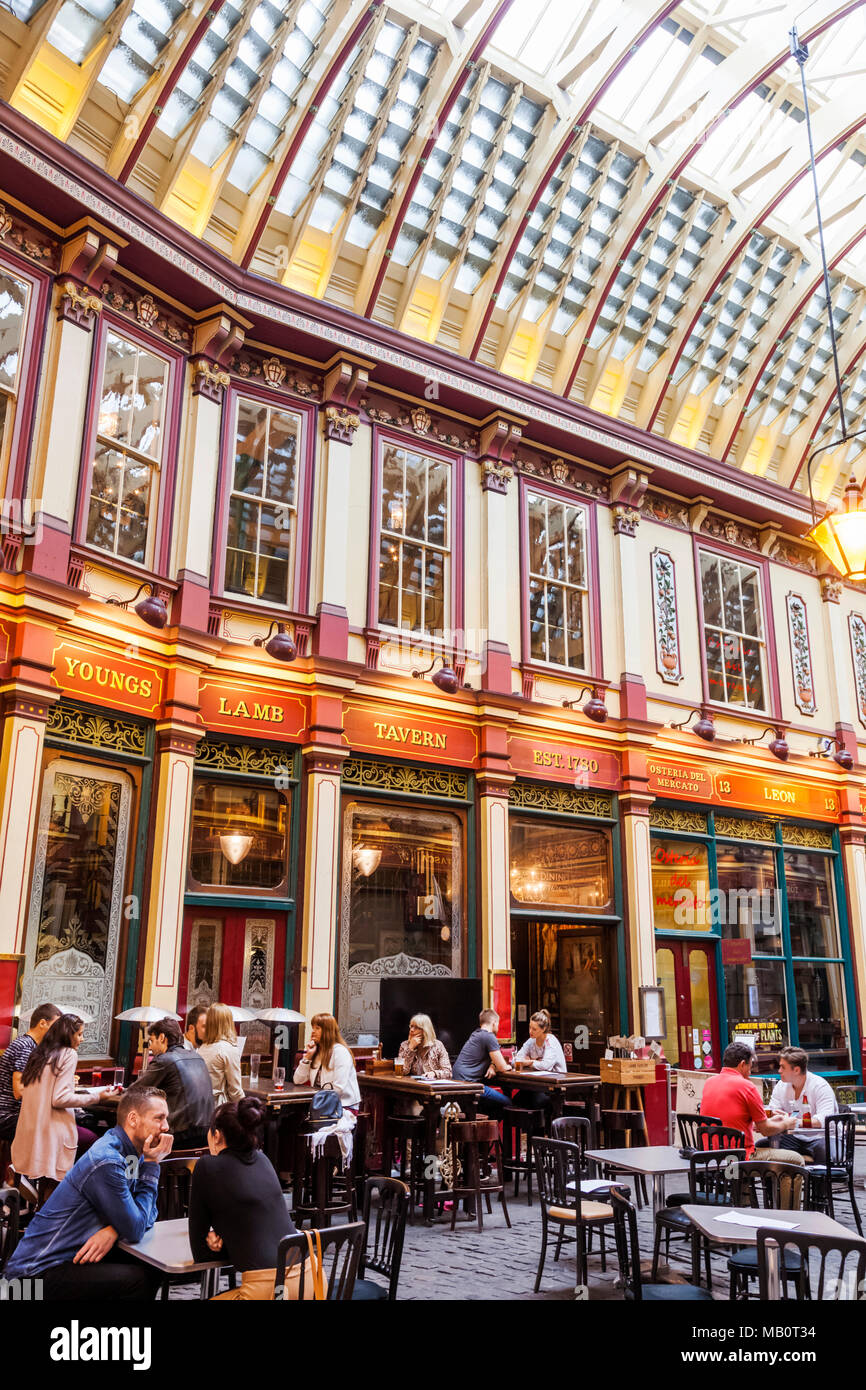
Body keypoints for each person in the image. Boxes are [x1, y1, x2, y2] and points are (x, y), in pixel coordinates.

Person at [4, 1086, 174, 1300]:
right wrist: (152, 1165)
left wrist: (114, 1230)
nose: (166, 1126)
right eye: (159, 1118)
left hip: (71, 1258)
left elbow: (147, 1214)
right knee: (136, 1280)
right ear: (133, 1119)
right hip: (28, 1281)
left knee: (152, 1267)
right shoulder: (108, 1160)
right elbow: (136, 1227)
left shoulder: (130, 1153)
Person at [188, 1095, 314, 1300]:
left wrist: (221, 1245)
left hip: (270, 1291)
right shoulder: (263, 1160)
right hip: (310, 1281)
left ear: (217, 1136)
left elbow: (200, 1254)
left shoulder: (207, 1167)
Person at [11, 1014, 116, 1194]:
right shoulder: (68, 1054)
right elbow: (60, 1099)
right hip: (52, 1133)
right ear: (69, 1034)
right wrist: (99, 1097)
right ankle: (82, 1191)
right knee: (93, 1140)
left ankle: (36, 1195)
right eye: (80, 1034)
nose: (82, 1039)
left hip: (31, 1133)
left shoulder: (39, 1053)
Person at [700, 1041, 804, 1163]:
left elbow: (732, 1121)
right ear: (743, 1064)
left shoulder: (709, 1082)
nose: (751, 1070)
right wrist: (787, 1123)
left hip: (710, 1157)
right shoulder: (747, 1087)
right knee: (795, 1160)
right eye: (751, 1065)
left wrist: (769, 1121)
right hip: (737, 1157)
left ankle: (742, 1181)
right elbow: (766, 1130)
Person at [128, 1016, 214, 1149]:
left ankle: (133, 1168)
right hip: (206, 1133)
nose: (150, 1047)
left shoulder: (164, 1060)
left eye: (151, 1041)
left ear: (162, 1037)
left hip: (180, 1135)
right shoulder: (197, 1057)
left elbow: (134, 1093)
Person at [0, 1002, 61, 1142]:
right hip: (8, 1115)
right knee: (54, 1132)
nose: (58, 1031)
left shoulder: (29, 1045)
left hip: (17, 1113)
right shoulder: (25, 1048)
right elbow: (19, 1091)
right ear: (42, 1023)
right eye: (55, 1026)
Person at [768, 1045, 837, 1165]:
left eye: (783, 1067)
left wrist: (794, 1122)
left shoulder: (820, 1086)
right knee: (766, 1146)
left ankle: (819, 1183)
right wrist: (775, 1116)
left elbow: (825, 1119)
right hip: (796, 1137)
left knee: (823, 1150)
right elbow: (773, 1108)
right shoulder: (781, 1086)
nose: (779, 1071)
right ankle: (783, 1183)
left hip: (823, 1137)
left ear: (796, 1070)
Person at [293, 1013, 360, 1118]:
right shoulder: (316, 1052)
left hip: (343, 1107)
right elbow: (297, 1080)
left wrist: (317, 1105)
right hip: (320, 1105)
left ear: (327, 1031)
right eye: (313, 1028)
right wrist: (307, 1057)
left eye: (317, 1028)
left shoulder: (340, 1052)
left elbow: (338, 1089)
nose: (313, 1031)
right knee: (291, 1118)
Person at [452, 1009, 512, 1116]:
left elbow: (490, 1059)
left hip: (458, 1085)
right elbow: (503, 1067)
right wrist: (509, 1065)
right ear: (494, 1023)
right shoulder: (489, 1036)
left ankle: (486, 1128)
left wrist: (492, 1066)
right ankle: (488, 1128)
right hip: (471, 1086)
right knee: (508, 1104)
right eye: (498, 1023)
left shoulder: (476, 1034)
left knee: (488, 1108)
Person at [510, 1008, 566, 1111]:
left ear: (543, 1029)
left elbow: (546, 1066)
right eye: (530, 1027)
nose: (530, 1031)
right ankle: (529, 1126)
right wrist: (531, 1062)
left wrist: (528, 1061)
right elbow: (515, 1060)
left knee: (533, 1101)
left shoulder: (550, 1041)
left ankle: (539, 1126)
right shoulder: (531, 1040)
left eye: (534, 1029)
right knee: (517, 1100)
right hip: (537, 1086)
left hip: (553, 1089)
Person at [198, 1003, 244, 1105]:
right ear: (228, 1022)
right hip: (218, 1107)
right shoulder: (228, 1049)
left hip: (202, 1105)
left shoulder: (202, 1048)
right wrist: (246, 1108)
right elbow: (235, 1091)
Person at [396, 1014, 452, 1079]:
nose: (411, 1030)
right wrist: (410, 1049)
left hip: (432, 1085)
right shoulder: (404, 1045)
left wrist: (434, 1073)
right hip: (413, 1084)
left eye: (417, 1027)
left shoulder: (438, 1045)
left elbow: (448, 1072)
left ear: (426, 1031)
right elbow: (401, 1072)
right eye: (411, 1026)